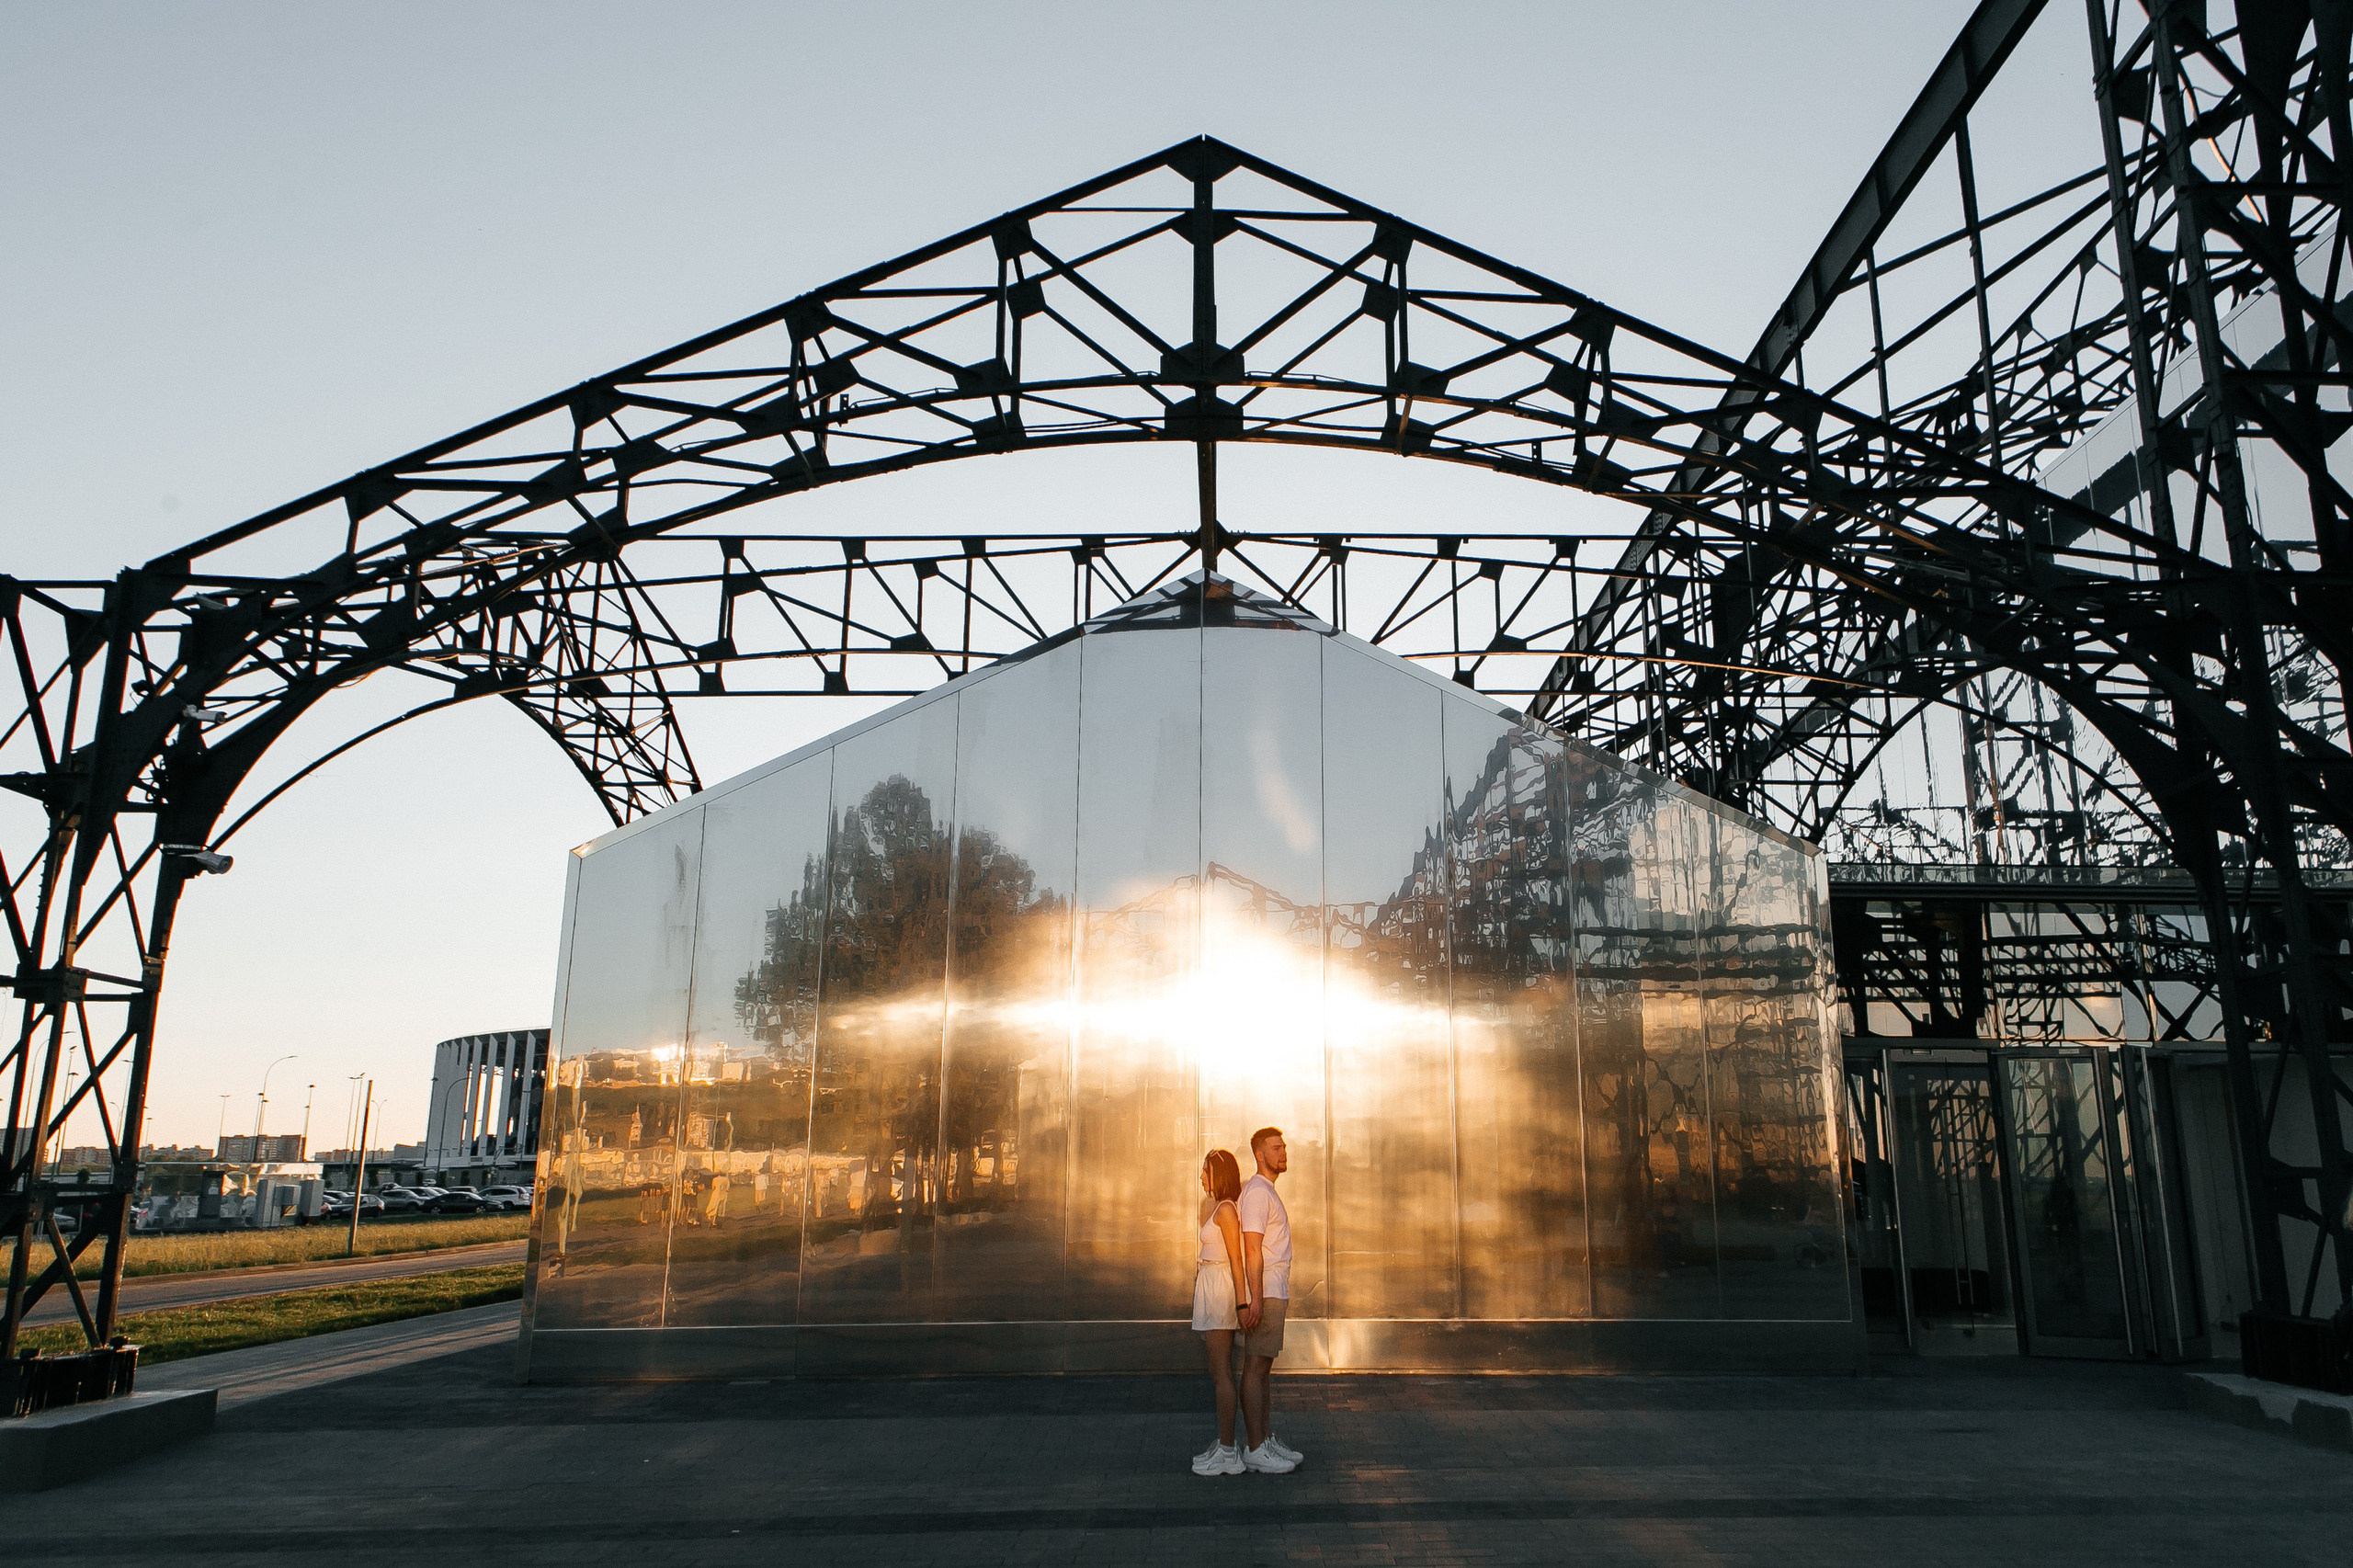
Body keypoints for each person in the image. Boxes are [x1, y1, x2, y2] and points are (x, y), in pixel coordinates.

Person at [1237, 1126, 1301, 1473]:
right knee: (1255, 1367)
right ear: (1260, 1155)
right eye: (1276, 1148)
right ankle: (1255, 1448)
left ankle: (1264, 1439)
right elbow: (1252, 1248)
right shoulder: (1258, 1193)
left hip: (1274, 1288)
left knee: (1264, 1369)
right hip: (1267, 1290)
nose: (1283, 1152)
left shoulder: (1266, 1191)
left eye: (1284, 1146)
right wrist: (1256, 1299)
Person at [1188, 1149, 1253, 1477]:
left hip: (1219, 1290)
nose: (1202, 1177)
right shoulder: (1219, 1206)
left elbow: (1236, 1259)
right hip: (1211, 1286)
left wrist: (1242, 1304)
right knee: (1218, 1373)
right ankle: (1225, 1444)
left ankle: (1228, 1451)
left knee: (1221, 1374)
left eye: (1206, 1171)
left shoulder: (1227, 1209)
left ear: (1220, 1174)